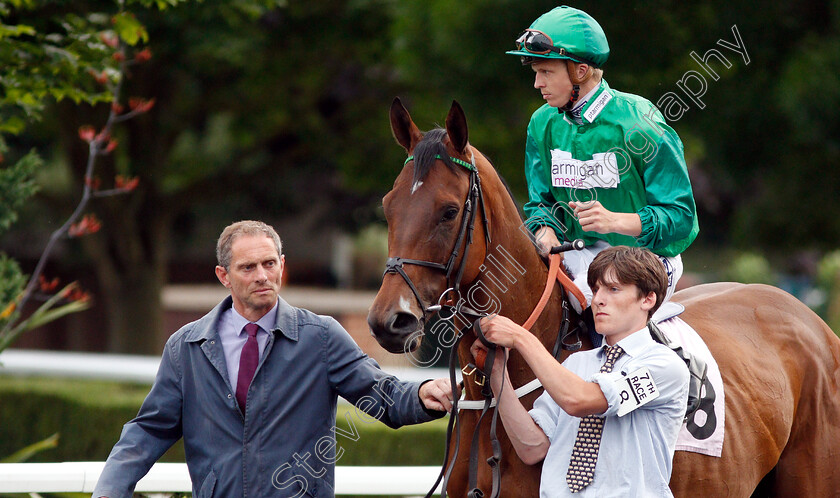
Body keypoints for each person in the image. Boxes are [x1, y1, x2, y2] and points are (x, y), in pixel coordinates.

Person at [93, 220, 457, 497]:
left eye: (269, 263)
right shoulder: (186, 347)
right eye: (247, 268)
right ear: (224, 275)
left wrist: (423, 393)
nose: (262, 276)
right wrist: (108, 490)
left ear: (282, 264)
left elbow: (381, 394)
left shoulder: (321, 337)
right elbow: (148, 431)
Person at [508, 5, 699, 319]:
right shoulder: (541, 124)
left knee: (601, 308)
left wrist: (615, 221)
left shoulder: (640, 122)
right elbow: (540, 203)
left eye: (546, 72)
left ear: (580, 72)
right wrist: (544, 230)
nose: (537, 84)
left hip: (645, 259)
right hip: (575, 255)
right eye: (536, 73)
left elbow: (680, 219)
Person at [472, 246, 690, 496]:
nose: (597, 299)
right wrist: (498, 373)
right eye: (596, 289)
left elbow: (579, 400)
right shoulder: (575, 364)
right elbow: (532, 448)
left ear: (648, 299)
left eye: (613, 289)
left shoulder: (665, 365)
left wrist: (521, 337)